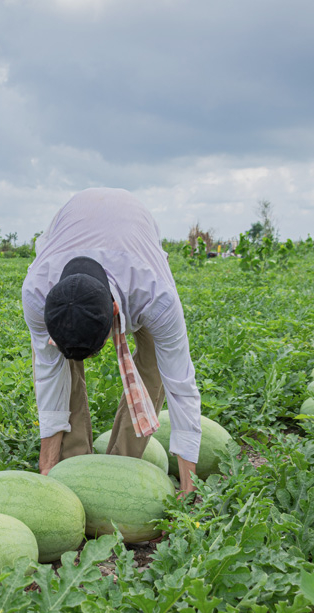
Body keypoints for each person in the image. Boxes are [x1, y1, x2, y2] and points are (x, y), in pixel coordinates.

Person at [21, 188, 201, 497]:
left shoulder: (156, 296)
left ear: (115, 314)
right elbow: (50, 377)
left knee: (154, 364)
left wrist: (189, 488)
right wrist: (47, 467)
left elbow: (181, 388)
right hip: (71, 227)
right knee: (65, 368)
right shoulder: (37, 294)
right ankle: (73, 464)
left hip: (135, 241)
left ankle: (123, 465)